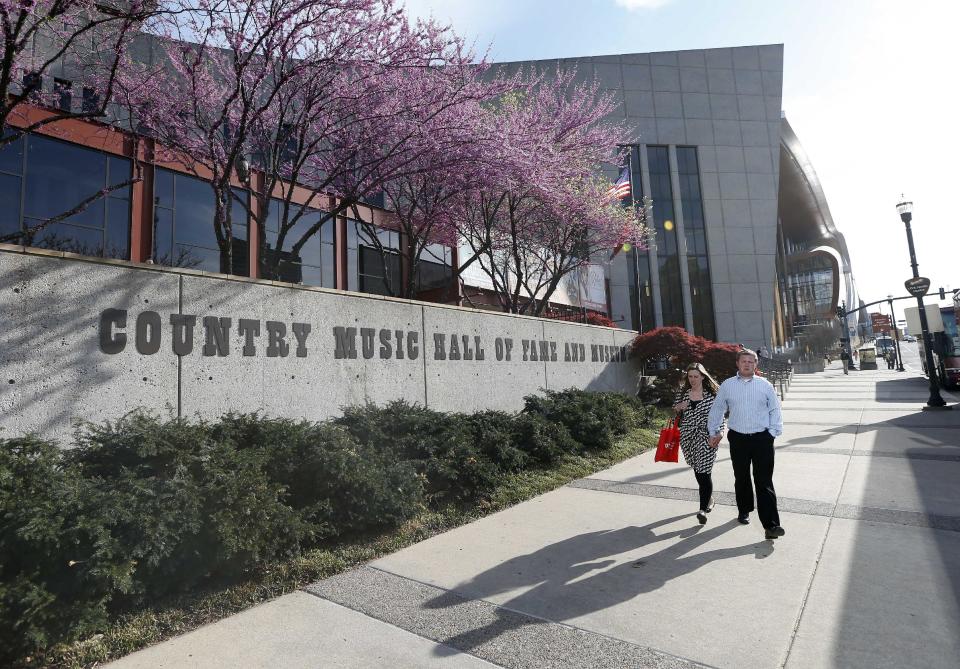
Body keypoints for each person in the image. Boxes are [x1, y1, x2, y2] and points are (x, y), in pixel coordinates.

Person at [707, 349, 786, 540]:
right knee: (741, 477)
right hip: (739, 438)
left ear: (756, 364)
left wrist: (772, 433)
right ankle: (744, 510)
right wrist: (714, 431)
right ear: (738, 363)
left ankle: (771, 525)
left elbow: (775, 409)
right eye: (744, 361)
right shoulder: (727, 385)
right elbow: (717, 409)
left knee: (764, 481)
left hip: (762, 439)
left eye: (752, 361)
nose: (748, 364)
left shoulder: (765, 385)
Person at [672, 363, 724, 524]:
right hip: (688, 436)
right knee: (697, 469)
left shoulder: (713, 395)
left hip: (707, 436)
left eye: (696, 376)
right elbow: (675, 409)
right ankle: (708, 498)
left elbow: (719, 416)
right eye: (690, 376)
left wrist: (720, 433)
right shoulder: (683, 393)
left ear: (703, 376)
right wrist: (678, 407)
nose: (693, 379)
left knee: (704, 471)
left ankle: (702, 509)